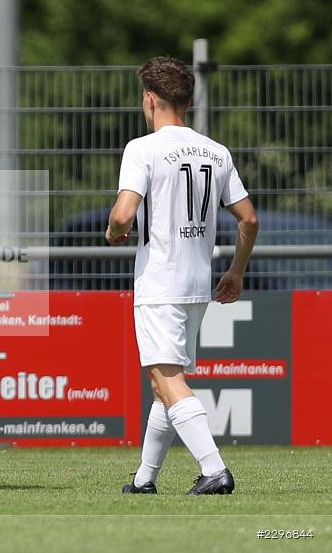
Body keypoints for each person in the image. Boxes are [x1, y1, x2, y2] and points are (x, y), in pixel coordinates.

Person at [106, 56, 259, 495]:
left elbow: (123, 212)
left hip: (159, 281)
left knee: (167, 378)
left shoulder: (143, 148)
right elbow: (248, 219)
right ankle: (143, 480)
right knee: (161, 383)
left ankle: (215, 470)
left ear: (150, 100)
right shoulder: (216, 151)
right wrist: (236, 271)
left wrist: (116, 231)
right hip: (197, 283)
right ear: (187, 103)